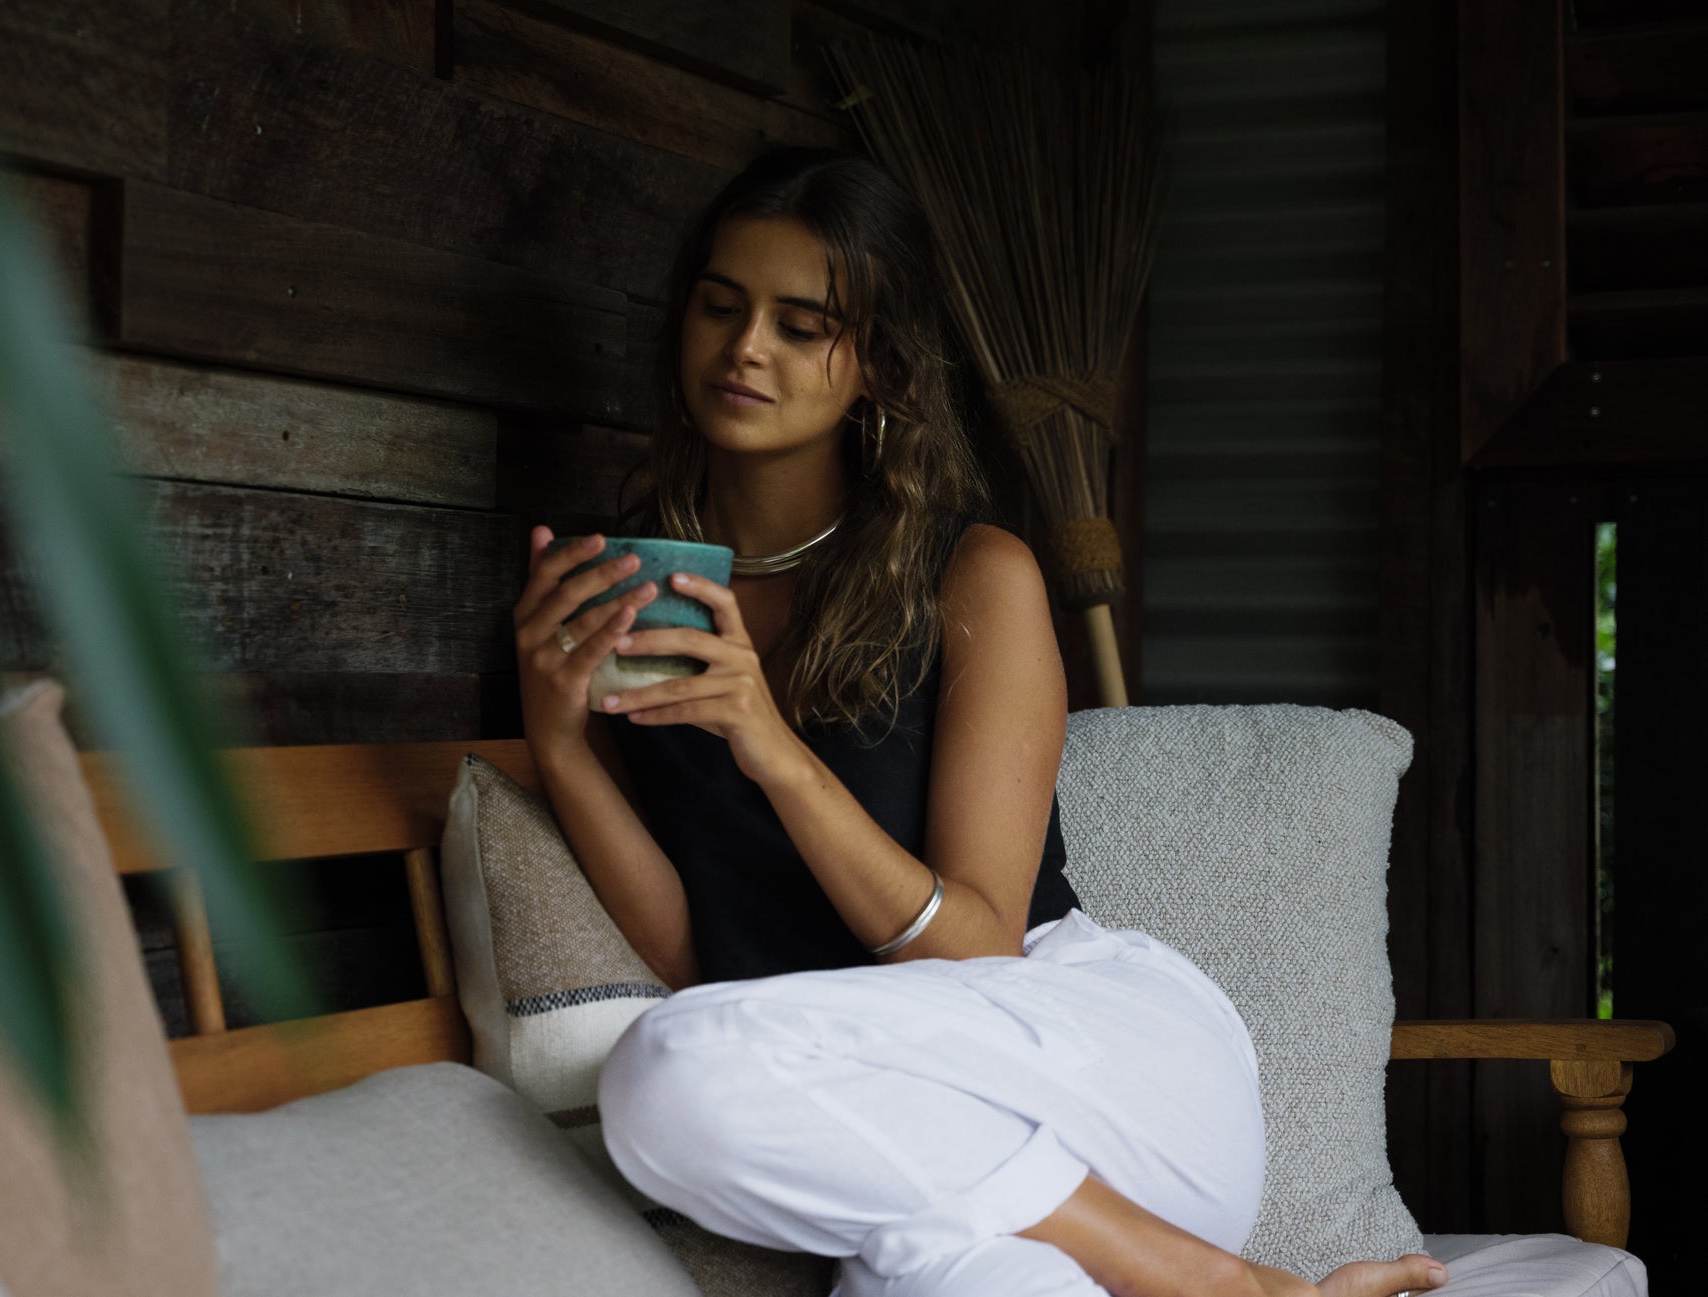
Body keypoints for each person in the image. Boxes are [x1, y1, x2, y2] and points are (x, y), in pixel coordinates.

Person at [510, 147, 1446, 1297]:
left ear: (878, 365)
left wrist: (772, 748)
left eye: (802, 324)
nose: (744, 346)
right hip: (885, 1111)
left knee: (661, 1071)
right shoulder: (641, 586)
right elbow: (702, 955)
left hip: (1085, 1061)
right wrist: (558, 739)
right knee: (901, 1253)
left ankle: (1223, 1280)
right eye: (720, 304)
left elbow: (978, 949)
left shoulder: (973, 572)